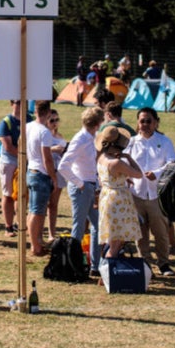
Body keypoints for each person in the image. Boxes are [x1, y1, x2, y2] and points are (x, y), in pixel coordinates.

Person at [123, 107, 175, 277]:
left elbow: (173, 163)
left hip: (156, 195)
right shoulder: (132, 142)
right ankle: (145, 263)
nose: (145, 124)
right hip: (136, 193)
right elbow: (122, 161)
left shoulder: (164, 141)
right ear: (137, 123)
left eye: (149, 121)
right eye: (142, 121)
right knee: (140, 232)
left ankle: (164, 263)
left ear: (156, 122)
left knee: (160, 231)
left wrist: (158, 174)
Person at [58, 107, 104, 275]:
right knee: (78, 228)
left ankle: (95, 265)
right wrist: (80, 184)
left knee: (98, 225)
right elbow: (63, 166)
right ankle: (72, 265)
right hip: (82, 187)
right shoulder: (81, 139)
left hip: (90, 186)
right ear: (98, 123)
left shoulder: (91, 138)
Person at [95, 126, 142, 260]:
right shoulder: (116, 162)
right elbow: (138, 174)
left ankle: (104, 270)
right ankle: (109, 271)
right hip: (118, 200)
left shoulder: (101, 158)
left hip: (107, 196)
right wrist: (129, 158)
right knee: (117, 242)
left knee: (111, 238)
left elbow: (105, 178)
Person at [25, 100, 58, 255]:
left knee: (33, 210)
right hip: (41, 174)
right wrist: (54, 177)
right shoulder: (44, 132)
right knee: (38, 212)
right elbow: (47, 158)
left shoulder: (28, 126)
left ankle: (35, 241)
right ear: (48, 113)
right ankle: (35, 245)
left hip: (31, 170)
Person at [0, 100, 24, 238]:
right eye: (17, 102)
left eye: (23, 102)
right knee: (8, 194)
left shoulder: (29, 119)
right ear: (11, 103)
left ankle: (21, 224)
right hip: (9, 162)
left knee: (22, 195)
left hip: (25, 161)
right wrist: (25, 155)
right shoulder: (6, 122)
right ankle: (8, 226)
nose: (20, 105)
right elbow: (8, 147)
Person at [45, 108, 68, 241]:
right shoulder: (44, 135)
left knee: (54, 204)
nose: (54, 123)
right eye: (51, 120)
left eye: (56, 120)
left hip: (59, 172)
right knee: (43, 204)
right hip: (46, 171)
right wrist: (52, 149)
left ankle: (51, 233)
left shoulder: (60, 136)